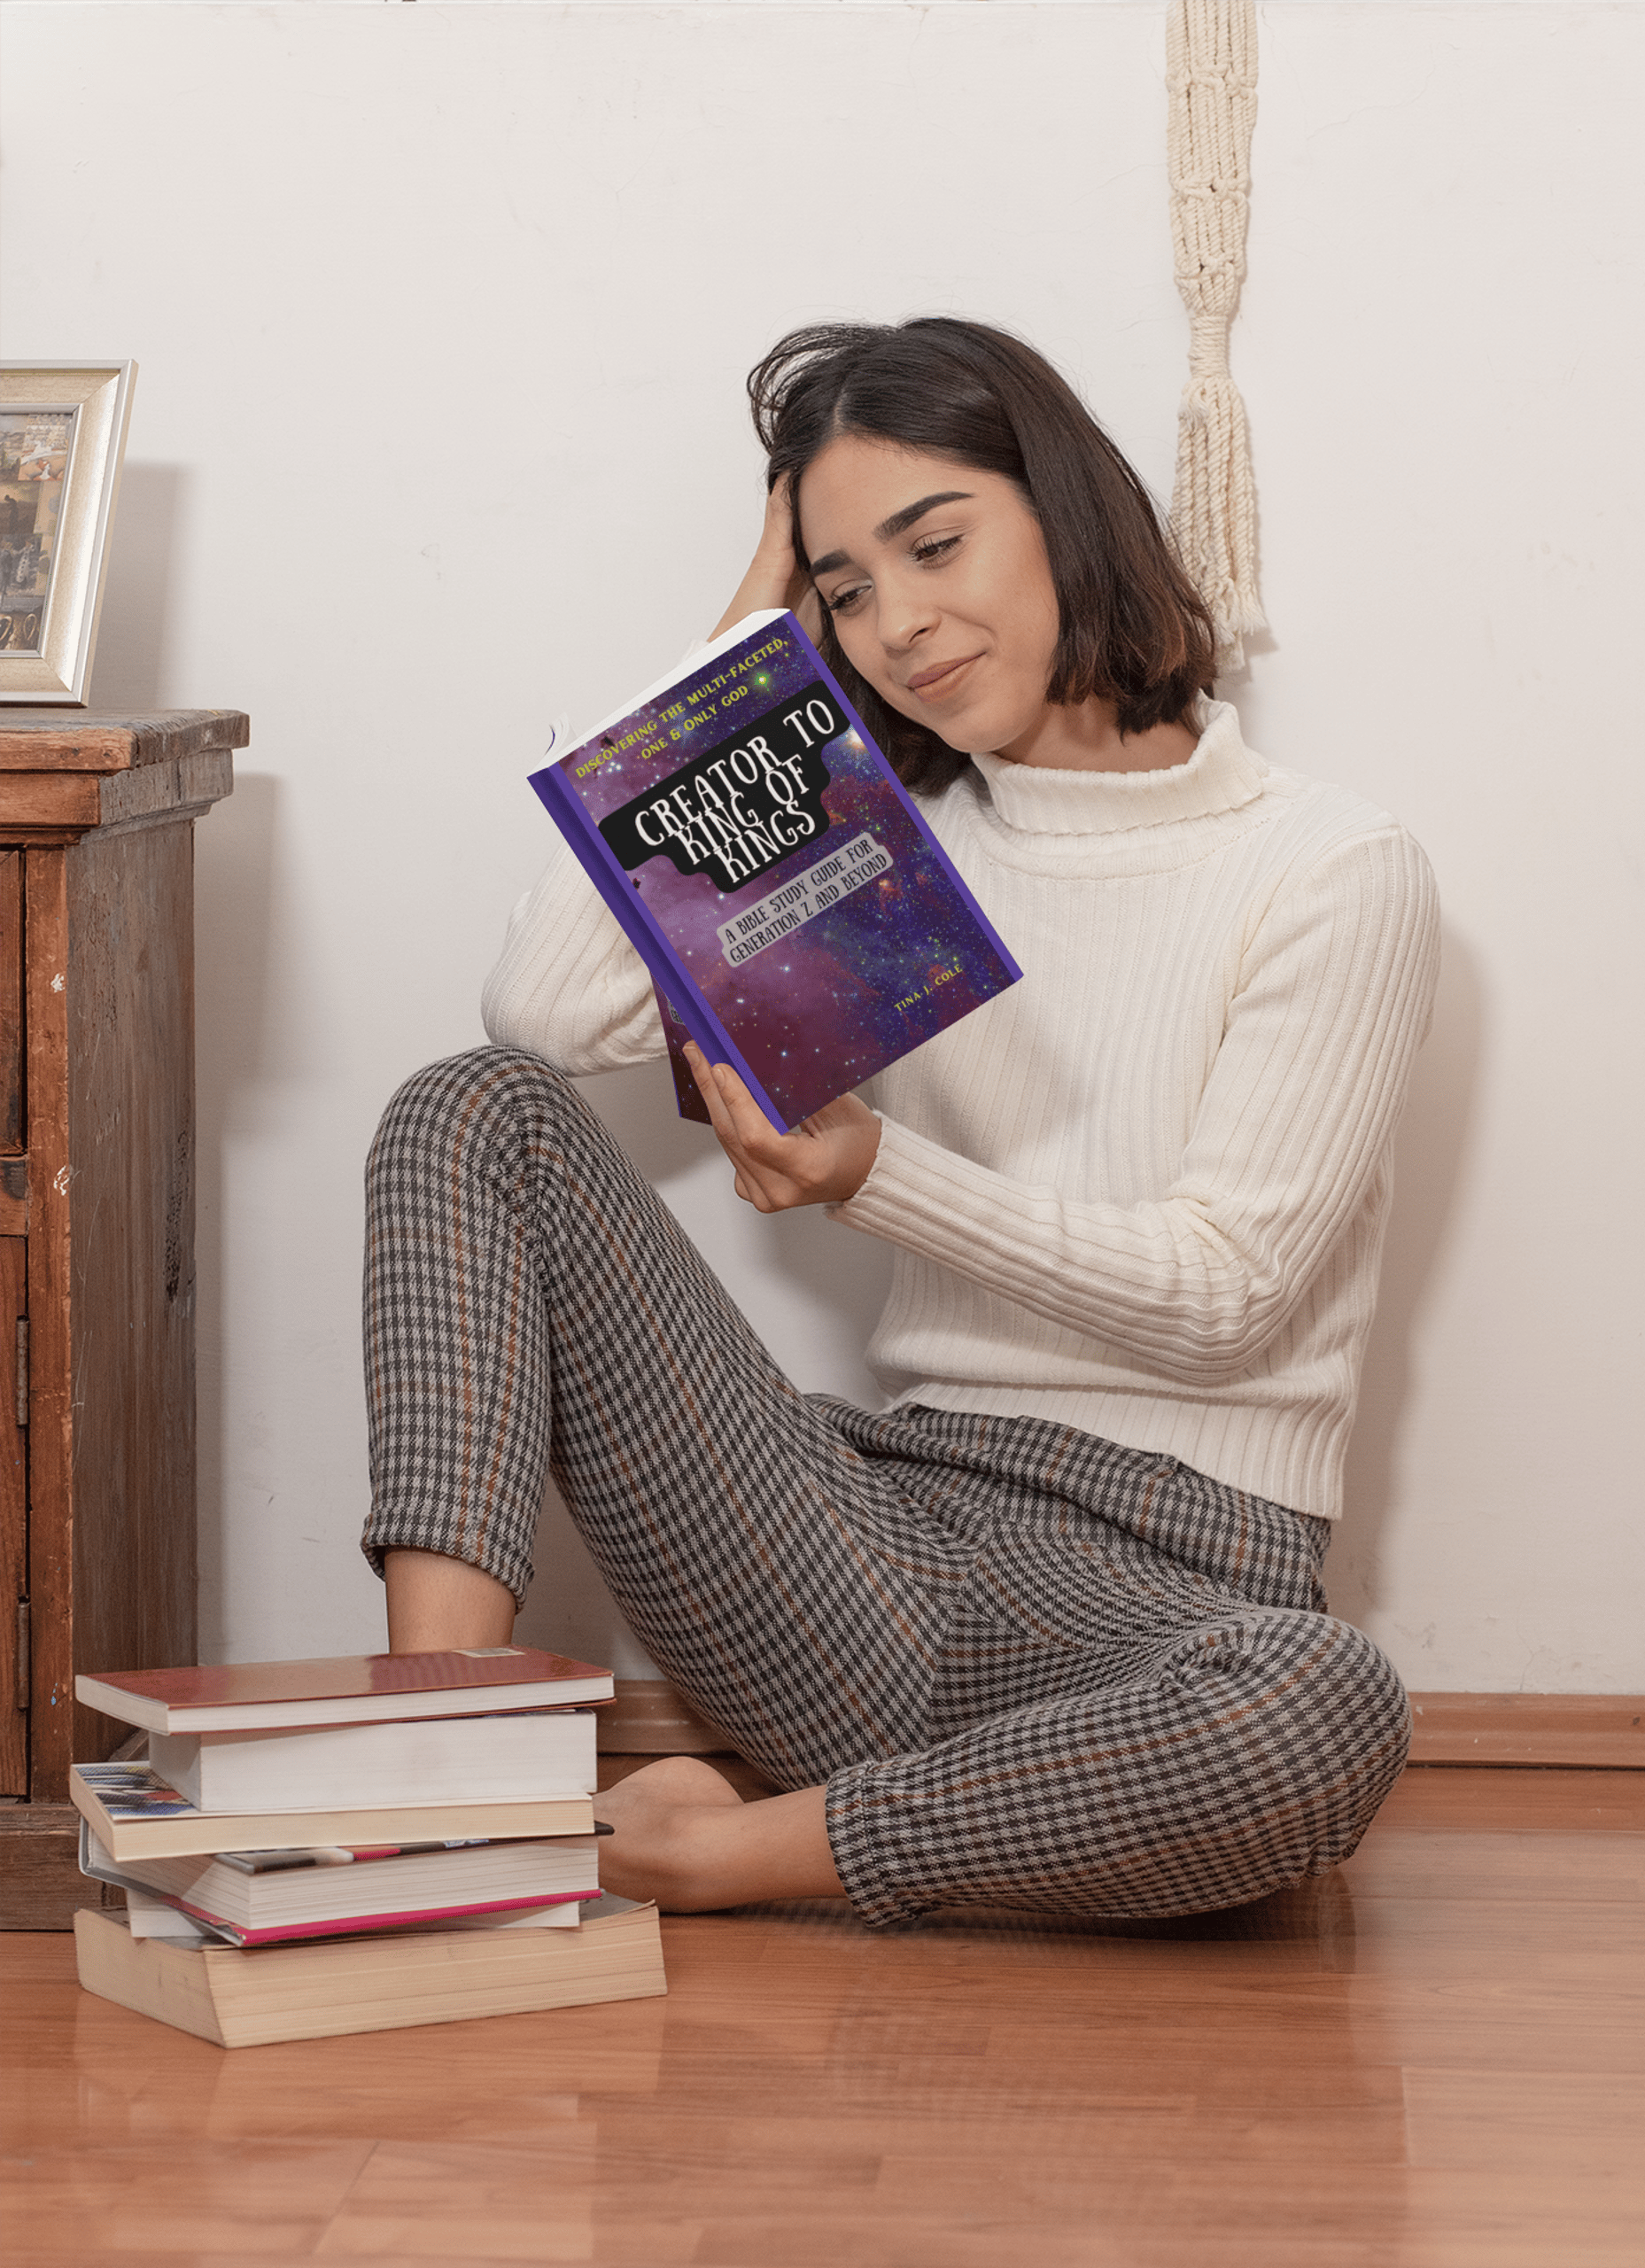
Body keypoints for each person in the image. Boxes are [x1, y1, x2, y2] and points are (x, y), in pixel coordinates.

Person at [363, 318, 1440, 1926]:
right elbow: (546, 1010)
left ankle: (731, 1854)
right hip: (858, 1551)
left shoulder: (1329, 870)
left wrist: (877, 1173)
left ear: (1066, 511)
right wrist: (743, 655)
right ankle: (428, 1780)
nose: (900, 625)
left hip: (1174, 1595)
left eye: (935, 546)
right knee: (476, 1111)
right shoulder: (875, 852)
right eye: (846, 590)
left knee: (1320, 1708)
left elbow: (1226, 1299)